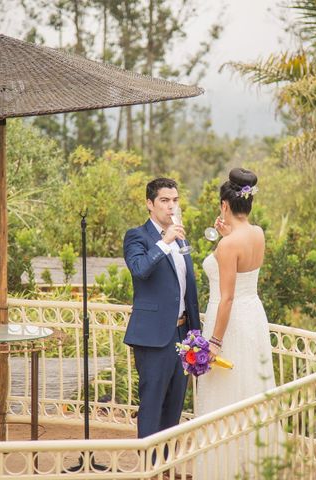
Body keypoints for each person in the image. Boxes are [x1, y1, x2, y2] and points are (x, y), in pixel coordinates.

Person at [195, 167, 280, 479]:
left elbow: (227, 297)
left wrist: (214, 342)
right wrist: (227, 235)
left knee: (225, 394)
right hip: (253, 317)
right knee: (249, 390)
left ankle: (223, 469)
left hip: (228, 322)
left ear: (224, 205)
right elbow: (244, 269)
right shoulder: (256, 233)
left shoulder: (227, 245)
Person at [123, 177, 201, 441]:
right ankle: (149, 470)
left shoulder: (180, 239)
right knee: (152, 407)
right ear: (149, 203)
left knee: (173, 410)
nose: (171, 206)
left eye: (175, 200)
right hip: (153, 338)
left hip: (182, 337)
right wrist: (164, 241)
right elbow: (140, 269)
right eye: (165, 201)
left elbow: (188, 289)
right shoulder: (138, 236)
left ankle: (165, 467)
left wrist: (195, 336)